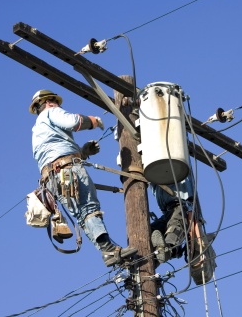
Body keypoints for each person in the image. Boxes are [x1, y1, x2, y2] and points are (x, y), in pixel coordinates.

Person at [29, 89, 137, 266]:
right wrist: (94, 121)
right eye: (56, 103)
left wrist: (83, 153)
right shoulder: (51, 112)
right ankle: (109, 249)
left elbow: (55, 152)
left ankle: (108, 250)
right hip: (67, 171)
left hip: (53, 179)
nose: (58, 106)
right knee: (88, 208)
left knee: (82, 214)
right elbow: (74, 122)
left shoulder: (37, 131)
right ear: (48, 102)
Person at [149, 175, 195, 264]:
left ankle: (169, 249)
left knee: (175, 225)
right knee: (150, 231)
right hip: (168, 211)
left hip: (181, 204)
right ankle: (151, 259)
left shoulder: (175, 166)